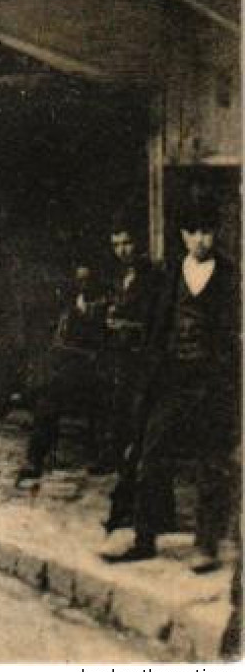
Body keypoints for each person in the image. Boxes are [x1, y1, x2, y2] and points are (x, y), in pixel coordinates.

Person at [104, 201, 239, 573]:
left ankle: (206, 544)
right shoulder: (169, 275)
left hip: (212, 384)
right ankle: (144, 538)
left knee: (212, 463)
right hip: (172, 381)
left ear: (217, 233)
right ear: (183, 236)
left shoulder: (230, 277)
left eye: (208, 232)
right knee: (150, 456)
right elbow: (155, 329)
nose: (201, 240)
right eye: (193, 232)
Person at [19, 265, 108, 481]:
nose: (83, 285)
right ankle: (35, 458)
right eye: (79, 280)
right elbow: (61, 340)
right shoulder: (70, 307)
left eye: (87, 280)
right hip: (71, 367)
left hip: (97, 367)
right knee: (48, 397)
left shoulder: (105, 304)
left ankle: (99, 455)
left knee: (97, 396)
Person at [101, 223, 162, 471]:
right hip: (119, 348)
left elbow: (156, 317)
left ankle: (134, 457)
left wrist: (126, 324)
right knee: (117, 399)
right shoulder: (118, 275)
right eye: (116, 245)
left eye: (126, 243)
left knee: (138, 404)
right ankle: (114, 454)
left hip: (142, 349)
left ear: (138, 243)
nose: (121, 250)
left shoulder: (153, 275)